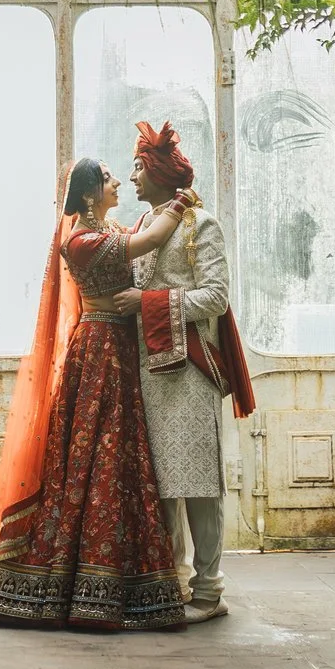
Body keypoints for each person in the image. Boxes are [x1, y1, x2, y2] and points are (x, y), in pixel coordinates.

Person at [0, 157, 197, 630]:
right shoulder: (81, 242)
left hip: (119, 350)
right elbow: (149, 240)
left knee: (120, 458)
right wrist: (181, 201)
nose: (118, 181)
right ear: (88, 194)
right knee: (95, 459)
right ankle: (83, 584)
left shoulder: (106, 230)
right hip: (100, 350)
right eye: (107, 178)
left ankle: (117, 579)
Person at [128, 120, 258, 624]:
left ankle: (208, 592)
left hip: (192, 372)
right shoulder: (139, 229)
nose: (133, 177)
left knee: (200, 484)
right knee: (159, 484)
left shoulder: (200, 225)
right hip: (146, 372)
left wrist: (147, 302)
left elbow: (216, 298)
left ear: (161, 172)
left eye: (140, 167)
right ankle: (173, 582)